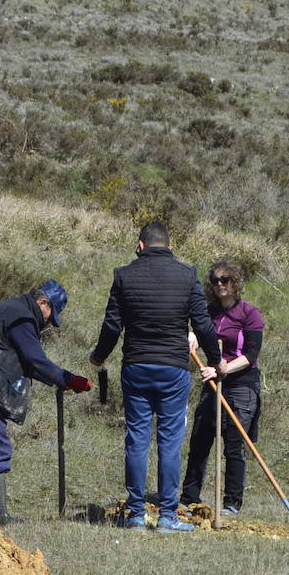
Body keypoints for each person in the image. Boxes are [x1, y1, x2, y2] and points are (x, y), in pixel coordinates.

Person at [90, 221, 223, 532]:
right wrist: (215, 361)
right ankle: (167, 516)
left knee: (136, 439)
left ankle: (136, 514)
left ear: (140, 245)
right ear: (170, 247)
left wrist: (99, 356)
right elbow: (203, 325)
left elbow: (112, 327)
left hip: (135, 367)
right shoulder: (186, 274)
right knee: (169, 442)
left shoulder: (123, 275)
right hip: (173, 369)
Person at [0, 280, 92, 524]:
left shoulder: (9, 309)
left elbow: (27, 363)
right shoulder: (22, 317)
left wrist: (62, 382)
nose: (47, 325)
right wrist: (69, 378)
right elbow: (35, 360)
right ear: (43, 302)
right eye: (50, 316)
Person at [180, 261, 265, 516]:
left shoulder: (250, 313)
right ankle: (189, 498)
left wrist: (222, 369)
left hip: (241, 383)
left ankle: (231, 503)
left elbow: (251, 354)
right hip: (213, 381)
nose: (220, 285)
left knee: (234, 443)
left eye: (225, 279)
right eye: (215, 280)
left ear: (236, 282)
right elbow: (199, 331)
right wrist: (194, 335)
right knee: (200, 439)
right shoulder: (208, 313)